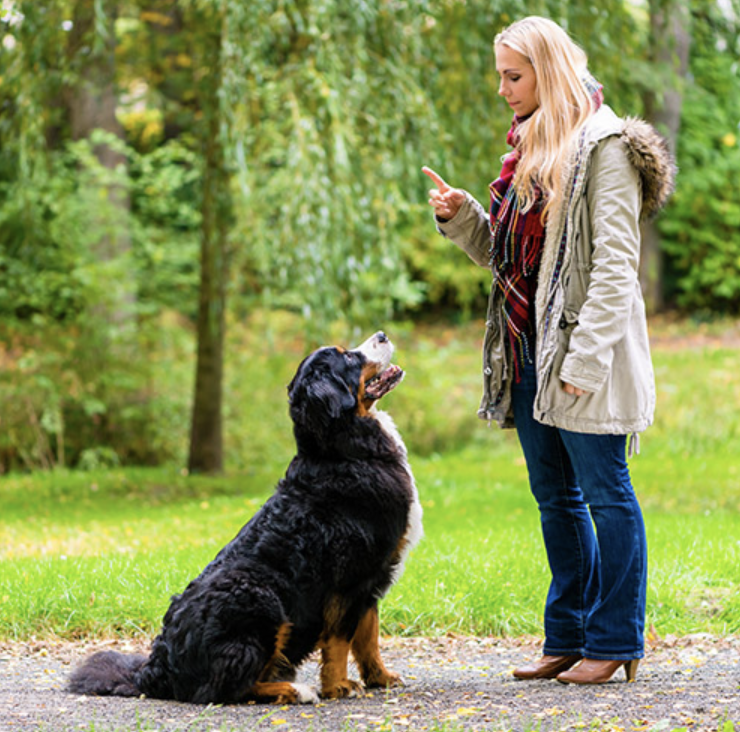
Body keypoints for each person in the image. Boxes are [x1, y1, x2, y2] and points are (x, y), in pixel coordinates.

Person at [423, 16, 675, 685]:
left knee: (605, 492)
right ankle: (568, 635)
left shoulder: (606, 147)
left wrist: (584, 364)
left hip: (582, 357)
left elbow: (618, 268)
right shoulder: (529, 147)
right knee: (555, 498)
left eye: (514, 75)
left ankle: (616, 638)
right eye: (500, 76)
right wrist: (462, 216)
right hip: (526, 350)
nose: (504, 89)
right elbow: (509, 261)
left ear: (549, 69)